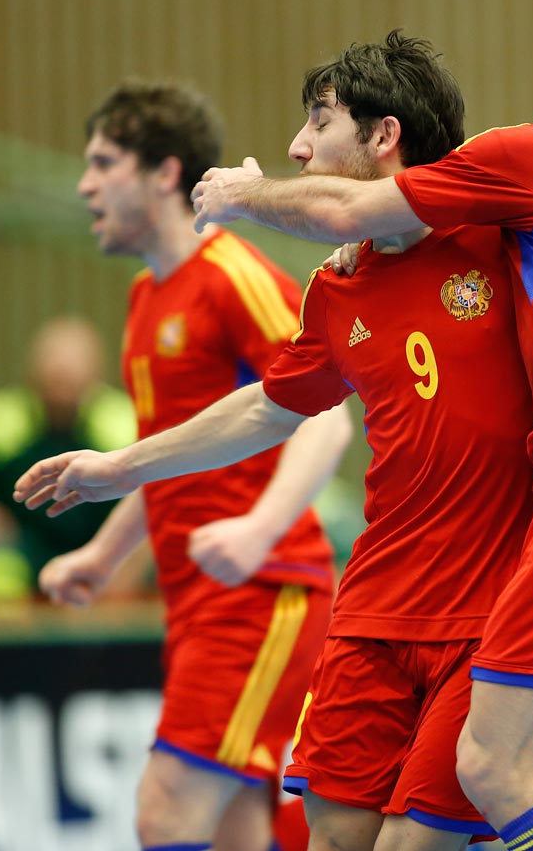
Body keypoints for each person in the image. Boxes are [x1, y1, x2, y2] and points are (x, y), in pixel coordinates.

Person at [15, 31, 533, 851]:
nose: (298, 146)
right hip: (373, 610)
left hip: (492, 605)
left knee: (443, 820)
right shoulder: (335, 286)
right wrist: (117, 468)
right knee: (337, 835)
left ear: (384, 135)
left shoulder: (504, 236)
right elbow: (268, 406)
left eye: (318, 121)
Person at [40, 80, 351, 851]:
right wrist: (103, 554)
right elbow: (171, 459)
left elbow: (328, 415)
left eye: (103, 163)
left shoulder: (231, 277)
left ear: (165, 173)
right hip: (198, 601)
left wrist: (257, 531)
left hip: (259, 593)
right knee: (236, 829)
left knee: (165, 812)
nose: (84, 184)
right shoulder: (148, 297)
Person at [0, 316, 136, 589]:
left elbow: (152, 500)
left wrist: (122, 573)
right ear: (31, 369)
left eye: (73, 365)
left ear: (97, 370)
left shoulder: (124, 422)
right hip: (19, 559)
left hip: (106, 555)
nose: (62, 372)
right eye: (53, 363)